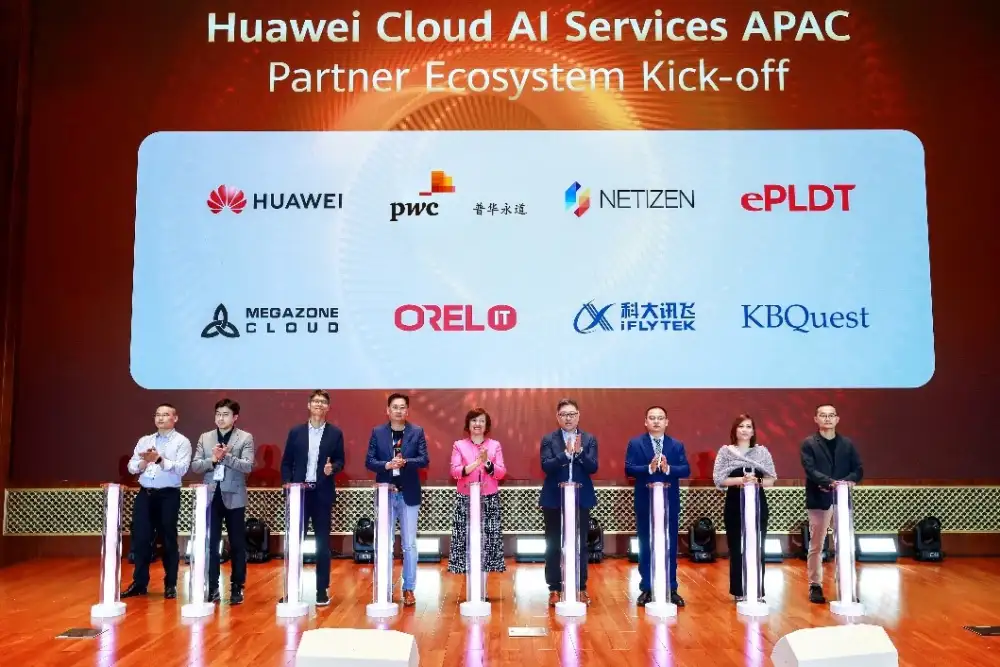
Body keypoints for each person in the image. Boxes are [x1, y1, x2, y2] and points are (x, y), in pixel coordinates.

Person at [280, 390, 346, 606]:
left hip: (321, 493)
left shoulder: (335, 433)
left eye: (323, 402)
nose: (319, 404)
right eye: (316, 401)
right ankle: (291, 589)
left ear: (328, 407)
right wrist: (287, 484)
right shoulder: (296, 432)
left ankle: (321, 590)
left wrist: (332, 468)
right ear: (309, 405)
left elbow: (340, 460)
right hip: (299, 493)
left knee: (322, 544)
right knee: (295, 543)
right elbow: (287, 462)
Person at [365, 392, 429, 607]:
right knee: (386, 543)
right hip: (386, 493)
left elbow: (424, 459)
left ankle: (409, 588)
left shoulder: (417, 431)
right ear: (388, 410)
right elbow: (369, 461)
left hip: (408, 493)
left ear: (407, 411)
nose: (399, 411)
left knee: (409, 544)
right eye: (395, 407)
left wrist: (405, 462)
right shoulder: (378, 432)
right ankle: (384, 588)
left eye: (402, 407)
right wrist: (387, 465)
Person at [122, 403, 192, 599]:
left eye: (165, 415)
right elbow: (131, 467)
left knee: (167, 539)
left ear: (175, 418)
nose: (160, 418)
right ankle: (140, 583)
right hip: (145, 494)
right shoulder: (145, 440)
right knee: (141, 538)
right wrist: (145, 461)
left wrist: (159, 460)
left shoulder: (182, 442)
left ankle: (170, 584)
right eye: (157, 415)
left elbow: (182, 469)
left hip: (168, 495)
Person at [190, 398, 255, 605]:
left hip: (234, 497)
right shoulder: (205, 437)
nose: (221, 418)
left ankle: (237, 587)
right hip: (210, 497)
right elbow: (195, 466)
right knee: (211, 544)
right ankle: (213, 587)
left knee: (237, 544)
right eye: (218, 414)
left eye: (225, 414)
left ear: (235, 417)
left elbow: (248, 466)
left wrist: (226, 457)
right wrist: (213, 460)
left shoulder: (245, 437)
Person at [625, 405, 690, 607]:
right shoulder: (636, 443)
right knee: (646, 545)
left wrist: (668, 468)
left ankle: (671, 587)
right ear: (645, 422)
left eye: (660, 418)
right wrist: (649, 468)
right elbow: (629, 468)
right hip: (645, 501)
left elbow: (685, 469)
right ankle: (647, 588)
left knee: (669, 544)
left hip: (669, 502)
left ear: (666, 422)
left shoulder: (676, 445)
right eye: (652, 418)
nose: (656, 421)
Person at [800, 402, 864, 604]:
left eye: (831, 415)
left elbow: (858, 469)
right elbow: (810, 470)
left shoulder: (847, 444)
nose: (827, 418)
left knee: (844, 544)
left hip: (842, 500)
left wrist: (845, 482)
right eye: (823, 415)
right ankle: (815, 585)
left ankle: (846, 585)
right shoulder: (809, 443)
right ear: (816, 419)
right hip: (819, 498)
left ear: (837, 419)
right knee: (817, 544)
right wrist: (830, 483)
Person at [539, 398, 599, 607]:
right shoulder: (549, 439)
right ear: (558, 417)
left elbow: (593, 467)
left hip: (580, 498)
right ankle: (555, 588)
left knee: (580, 544)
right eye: (564, 414)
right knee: (553, 545)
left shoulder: (589, 439)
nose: (568, 418)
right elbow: (546, 466)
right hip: (554, 498)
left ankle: (580, 588)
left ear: (578, 416)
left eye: (572, 414)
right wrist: (565, 454)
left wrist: (579, 453)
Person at [712, 413, 777, 602]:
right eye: (741, 426)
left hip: (757, 502)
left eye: (749, 426)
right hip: (735, 502)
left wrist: (756, 481)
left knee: (757, 546)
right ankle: (739, 591)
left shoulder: (762, 452)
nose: (745, 430)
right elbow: (719, 479)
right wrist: (741, 480)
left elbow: (771, 480)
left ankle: (756, 591)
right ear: (735, 430)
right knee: (736, 547)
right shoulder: (725, 452)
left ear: (753, 431)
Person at [447, 408, 507, 597]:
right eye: (474, 420)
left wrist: (487, 462)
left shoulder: (495, 445)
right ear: (468, 424)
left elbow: (501, 473)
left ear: (486, 425)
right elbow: (455, 471)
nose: (477, 424)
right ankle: (471, 589)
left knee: (486, 544)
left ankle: (482, 590)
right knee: (466, 542)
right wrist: (475, 463)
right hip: (466, 498)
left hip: (489, 498)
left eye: (481, 421)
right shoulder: (459, 445)